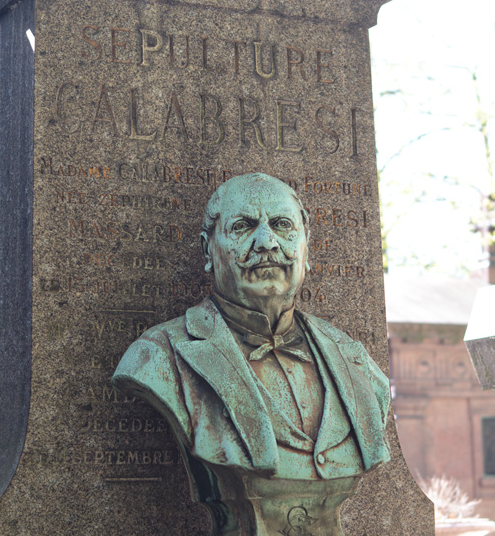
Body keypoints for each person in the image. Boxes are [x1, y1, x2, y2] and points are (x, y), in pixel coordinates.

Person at [112, 173, 390, 486]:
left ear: (306, 247)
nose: (267, 243)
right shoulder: (156, 356)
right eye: (242, 226)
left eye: (282, 225)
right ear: (208, 251)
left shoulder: (353, 359)